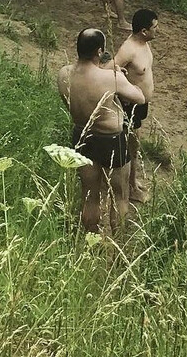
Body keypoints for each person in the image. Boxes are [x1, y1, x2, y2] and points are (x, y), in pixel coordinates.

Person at [57, 27, 145, 234]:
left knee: (89, 195)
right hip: (111, 139)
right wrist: (121, 79)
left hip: (82, 135)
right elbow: (139, 97)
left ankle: (91, 242)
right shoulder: (111, 78)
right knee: (120, 196)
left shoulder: (64, 73)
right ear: (99, 52)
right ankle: (117, 245)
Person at [115, 8, 158, 206]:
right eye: (154, 28)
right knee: (131, 145)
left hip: (141, 104)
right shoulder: (128, 49)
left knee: (135, 143)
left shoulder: (144, 43)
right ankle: (129, 186)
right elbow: (112, 70)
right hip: (129, 105)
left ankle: (132, 181)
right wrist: (123, 92)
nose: (157, 30)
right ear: (143, 31)